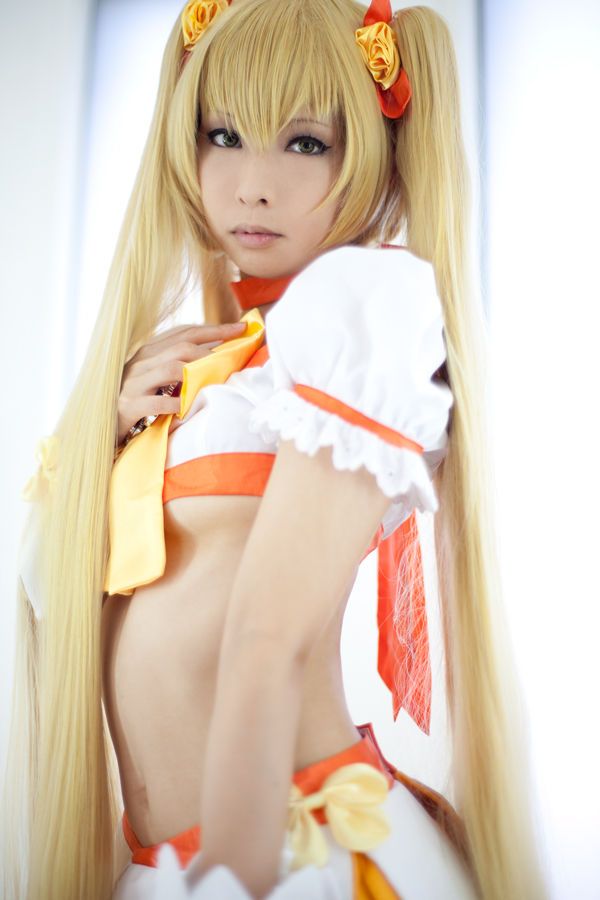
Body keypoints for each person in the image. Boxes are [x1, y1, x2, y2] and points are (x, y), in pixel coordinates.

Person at [1, 1, 549, 898]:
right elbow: (54, 614)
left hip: (286, 853)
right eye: (224, 134)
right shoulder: (187, 370)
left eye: (304, 143)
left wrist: (238, 872)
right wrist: (98, 436)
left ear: (373, 158)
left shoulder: (359, 308)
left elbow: (267, 638)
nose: (253, 184)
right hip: (170, 867)